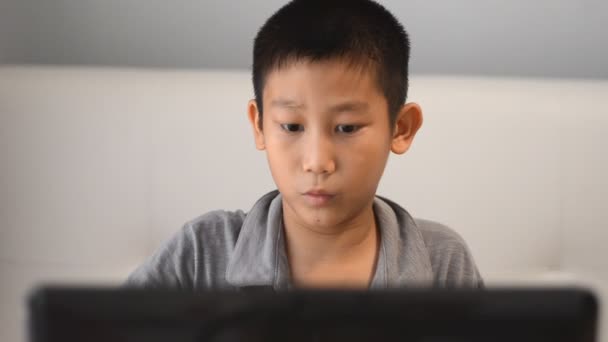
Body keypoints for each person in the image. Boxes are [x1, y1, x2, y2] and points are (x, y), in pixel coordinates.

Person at [126, 0, 483, 290]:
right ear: (260, 124)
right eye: (292, 126)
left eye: (346, 127)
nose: (317, 162)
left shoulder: (442, 261)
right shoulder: (201, 251)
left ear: (401, 128)